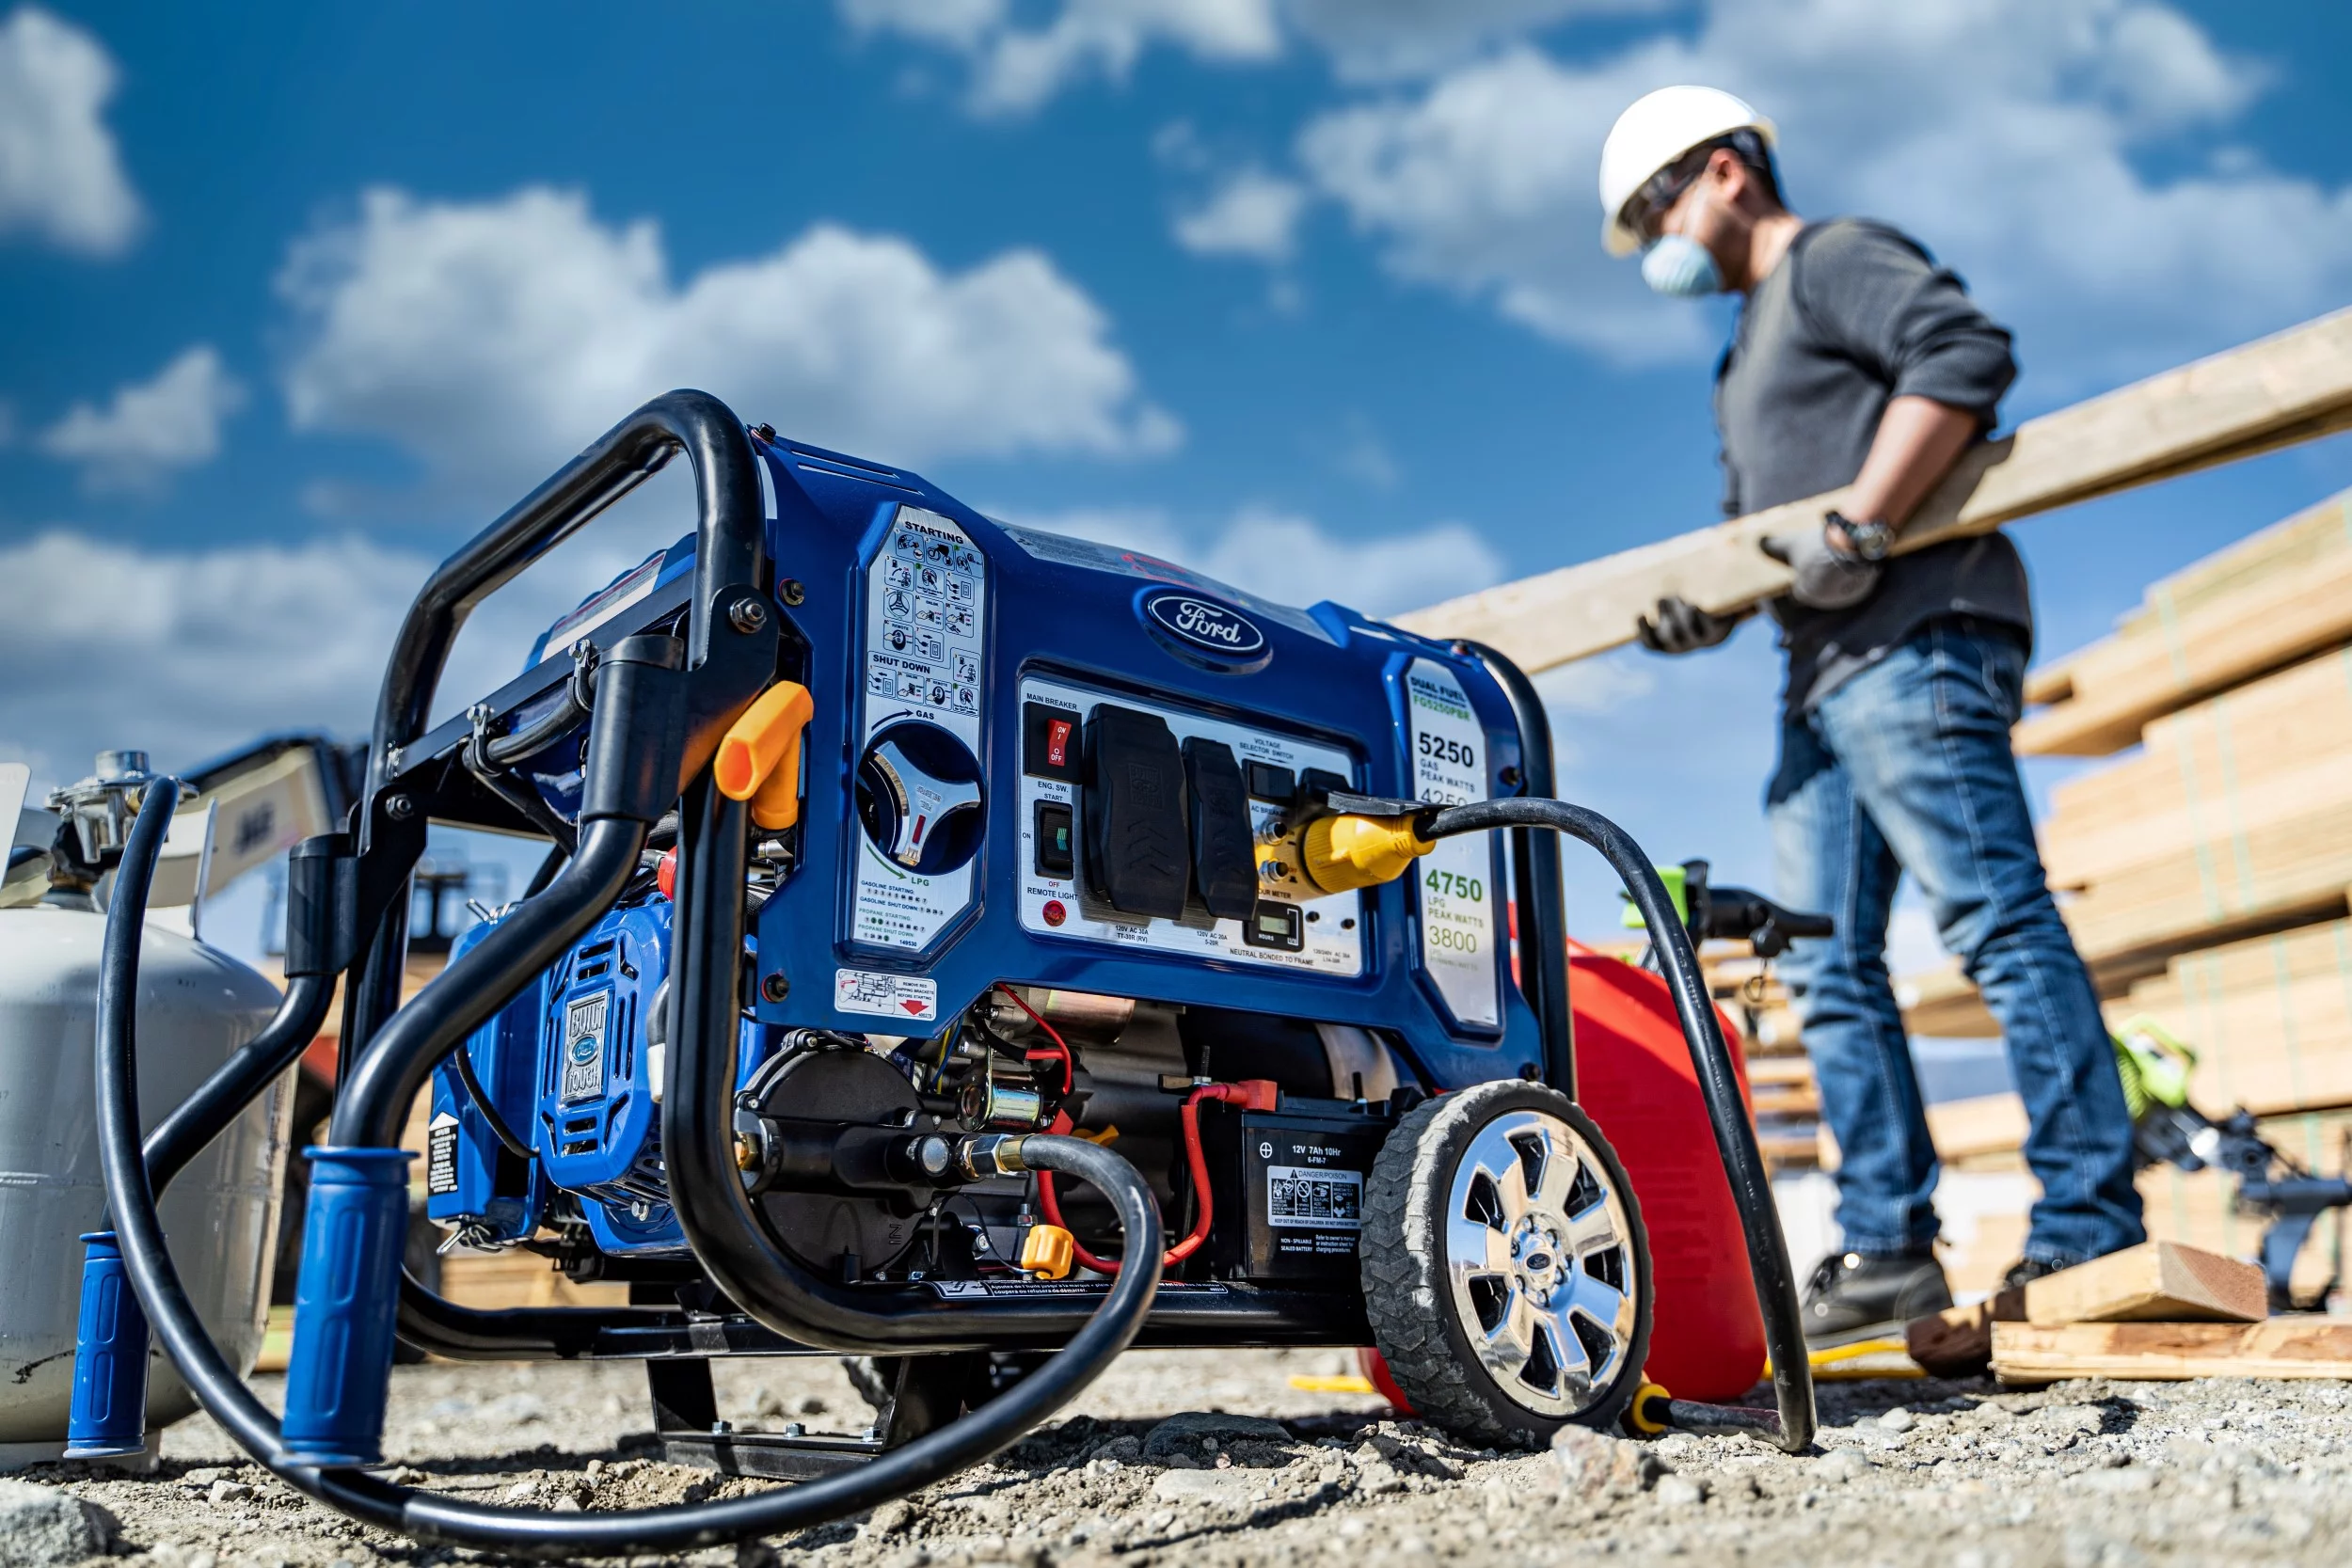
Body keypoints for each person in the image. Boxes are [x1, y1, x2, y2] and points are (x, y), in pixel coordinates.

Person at [1597, 87, 2144, 1343]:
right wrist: (1708, 607)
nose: (1656, 236)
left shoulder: (1837, 262)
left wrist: (1867, 522)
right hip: (1824, 671)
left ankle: (2087, 1220)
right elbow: (1766, 545)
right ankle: (1892, 1241)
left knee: (1995, 919)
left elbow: (1961, 357)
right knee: (1831, 965)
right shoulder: (1744, 353)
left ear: (1728, 170)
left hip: (1916, 634)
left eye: (1656, 204)